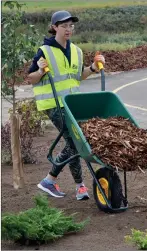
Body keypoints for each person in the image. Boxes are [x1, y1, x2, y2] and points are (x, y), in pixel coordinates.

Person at [27, 10, 105, 200]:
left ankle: (73, 186)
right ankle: (56, 180)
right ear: (54, 28)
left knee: (76, 141)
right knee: (74, 141)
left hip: (71, 104)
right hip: (53, 103)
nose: (68, 29)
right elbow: (31, 78)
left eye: (71, 25)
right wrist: (40, 71)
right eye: (64, 26)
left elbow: (79, 76)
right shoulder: (44, 51)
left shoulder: (76, 51)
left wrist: (93, 68)